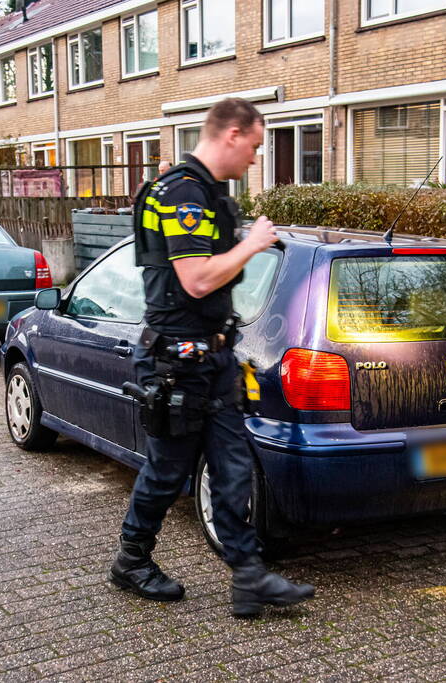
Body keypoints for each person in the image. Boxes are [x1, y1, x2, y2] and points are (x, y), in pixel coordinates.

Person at [110, 98, 314, 618]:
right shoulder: (181, 194)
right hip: (176, 363)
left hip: (216, 358)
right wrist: (253, 244)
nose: (255, 157)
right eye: (255, 145)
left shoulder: (208, 195)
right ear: (232, 134)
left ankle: (249, 577)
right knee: (167, 470)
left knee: (233, 468)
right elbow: (196, 279)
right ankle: (131, 560)